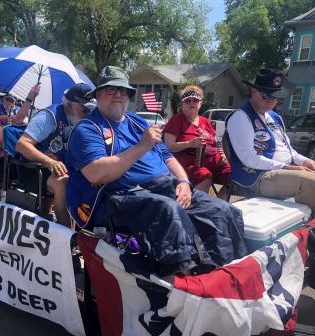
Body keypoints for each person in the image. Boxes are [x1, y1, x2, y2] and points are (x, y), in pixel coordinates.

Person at [66, 66, 246, 276]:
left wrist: (184, 182)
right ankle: (183, 283)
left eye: (123, 91)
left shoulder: (138, 122)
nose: (117, 95)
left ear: (128, 97)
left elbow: (168, 157)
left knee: (223, 211)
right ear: (97, 95)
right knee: (169, 211)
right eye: (110, 89)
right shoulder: (88, 129)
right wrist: (142, 146)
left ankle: (226, 275)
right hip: (119, 196)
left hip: (163, 185)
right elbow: (96, 174)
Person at [226, 68, 315, 212]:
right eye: (266, 96)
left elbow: (289, 150)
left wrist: (306, 162)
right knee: (310, 183)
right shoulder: (241, 117)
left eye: (275, 97)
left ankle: (305, 224)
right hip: (257, 176)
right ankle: (306, 229)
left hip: (283, 170)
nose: (271, 101)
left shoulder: (275, 117)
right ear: (253, 91)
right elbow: (248, 158)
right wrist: (287, 167)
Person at [16, 83, 93, 227]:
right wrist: (49, 162)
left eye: (91, 110)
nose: (88, 114)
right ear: (69, 105)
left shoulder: (83, 122)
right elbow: (22, 144)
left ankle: (88, 230)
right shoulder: (49, 116)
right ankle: (69, 237)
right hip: (36, 169)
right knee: (63, 183)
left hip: (63, 169)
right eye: (84, 109)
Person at [163, 85, 231, 198]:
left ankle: (218, 207)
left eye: (195, 100)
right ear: (182, 104)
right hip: (189, 165)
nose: (191, 103)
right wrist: (189, 144)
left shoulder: (205, 121)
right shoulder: (177, 120)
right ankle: (197, 209)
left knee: (234, 177)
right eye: (187, 100)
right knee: (204, 176)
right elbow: (168, 146)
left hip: (215, 162)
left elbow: (216, 143)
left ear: (200, 103)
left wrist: (222, 154)